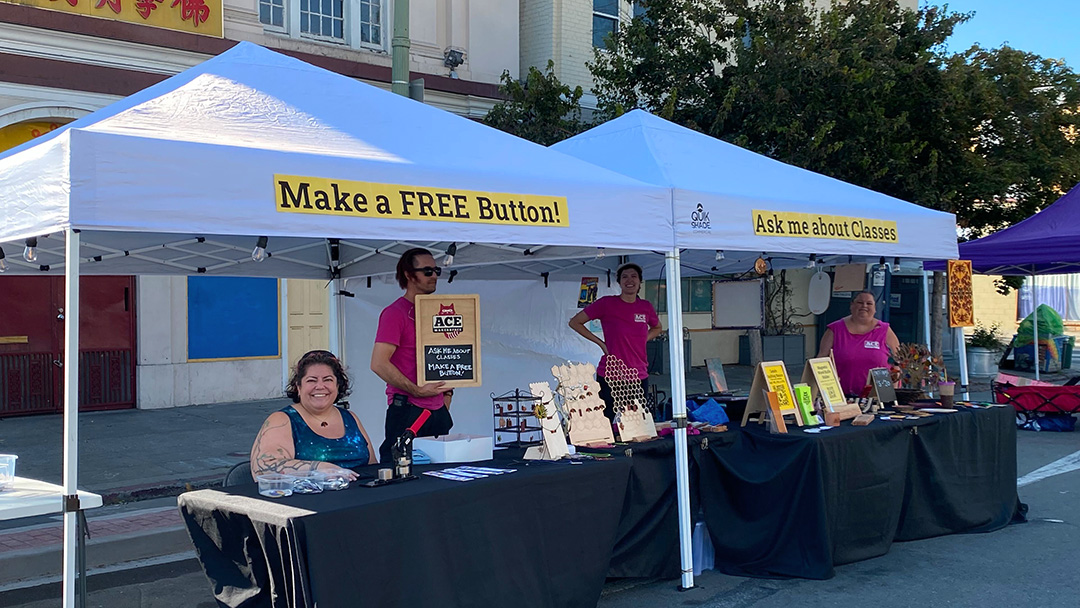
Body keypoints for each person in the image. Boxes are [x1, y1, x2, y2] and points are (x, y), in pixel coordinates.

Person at [370, 247, 454, 463]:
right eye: (427, 271)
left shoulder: (439, 311)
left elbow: (449, 354)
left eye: (436, 270)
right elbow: (379, 363)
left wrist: (446, 398)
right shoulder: (395, 313)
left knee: (441, 472)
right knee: (400, 468)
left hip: (437, 410)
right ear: (408, 274)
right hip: (407, 408)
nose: (434, 275)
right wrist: (416, 390)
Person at [251, 350, 376, 479]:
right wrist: (318, 469)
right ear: (298, 387)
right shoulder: (281, 420)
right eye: (311, 380)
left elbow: (373, 467)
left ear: (338, 386)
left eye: (327, 380)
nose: (320, 386)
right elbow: (263, 469)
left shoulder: (350, 418)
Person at [569, 263, 662, 420]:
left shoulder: (645, 306)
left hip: (638, 374)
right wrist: (601, 343)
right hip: (610, 374)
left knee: (636, 422)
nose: (629, 280)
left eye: (633, 276)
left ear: (640, 282)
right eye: (624, 277)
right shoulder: (607, 303)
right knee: (606, 421)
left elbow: (657, 327)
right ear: (619, 282)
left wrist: (641, 339)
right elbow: (575, 322)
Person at [817, 290, 900, 396]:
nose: (864, 306)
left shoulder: (885, 330)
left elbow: (898, 361)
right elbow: (820, 362)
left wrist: (894, 392)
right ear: (851, 305)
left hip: (882, 396)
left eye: (869, 303)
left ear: (875, 308)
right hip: (842, 396)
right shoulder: (834, 330)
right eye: (860, 303)